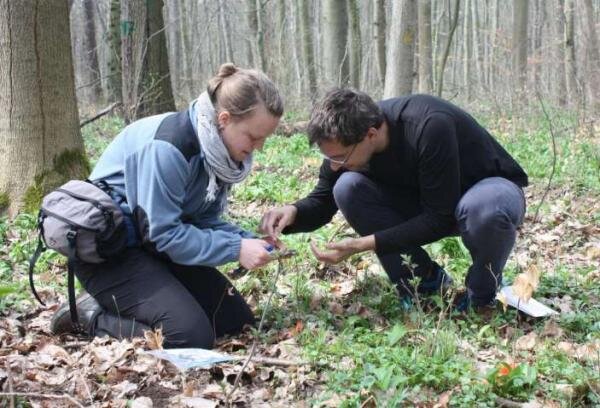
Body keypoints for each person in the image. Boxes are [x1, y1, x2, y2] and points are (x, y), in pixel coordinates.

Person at [50, 64, 284, 348]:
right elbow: (164, 236)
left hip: (151, 246)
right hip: (111, 253)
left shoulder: (217, 153)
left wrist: (246, 240)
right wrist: (236, 250)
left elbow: (202, 220)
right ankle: (87, 315)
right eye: (254, 137)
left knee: (235, 319)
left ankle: (139, 302)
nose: (258, 147)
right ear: (224, 119)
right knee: (188, 335)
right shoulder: (170, 147)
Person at [260, 88, 527, 311]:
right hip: (424, 200)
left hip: (486, 190)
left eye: (340, 157)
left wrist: (365, 244)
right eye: (329, 158)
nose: (335, 164)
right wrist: (293, 212)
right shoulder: (343, 143)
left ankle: (481, 296)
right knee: (346, 187)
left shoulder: (429, 124)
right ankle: (423, 286)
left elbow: (439, 217)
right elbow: (322, 201)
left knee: (483, 210)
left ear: (371, 135)